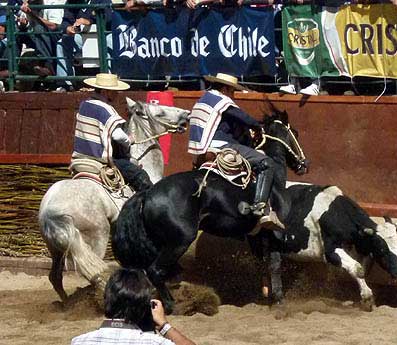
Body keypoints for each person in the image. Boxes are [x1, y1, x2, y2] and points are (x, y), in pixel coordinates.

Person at [188, 72, 285, 231]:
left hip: (199, 153)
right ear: (225, 89)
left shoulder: (203, 100)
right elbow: (242, 117)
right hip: (220, 146)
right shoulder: (220, 100)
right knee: (266, 162)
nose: (233, 95)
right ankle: (260, 208)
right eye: (232, 91)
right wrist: (257, 126)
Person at [71, 268, 196, 345]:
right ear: (146, 307)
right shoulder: (152, 342)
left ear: (106, 301)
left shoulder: (79, 341)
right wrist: (163, 325)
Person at [71, 73, 152, 192]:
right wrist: (129, 140)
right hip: (99, 160)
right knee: (141, 177)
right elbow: (118, 136)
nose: (117, 93)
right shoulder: (105, 109)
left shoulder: (84, 104)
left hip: (79, 158)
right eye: (114, 91)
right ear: (105, 92)